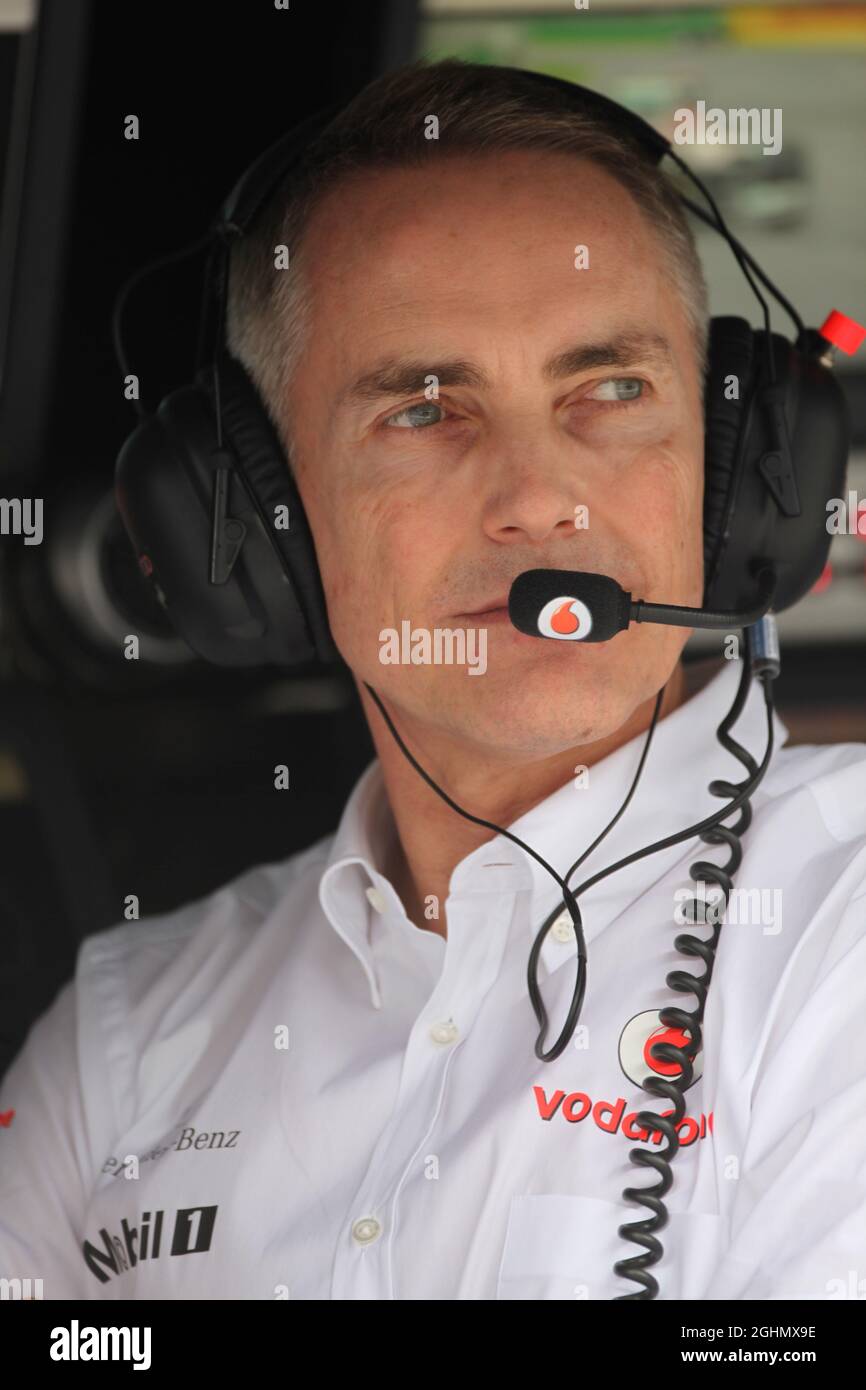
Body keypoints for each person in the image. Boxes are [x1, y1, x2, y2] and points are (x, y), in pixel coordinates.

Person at [1, 59, 865, 1302]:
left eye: (609, 389)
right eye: (421, 411)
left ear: (733, 474)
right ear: (260, 518)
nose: (535, 500)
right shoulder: (127, 1037)